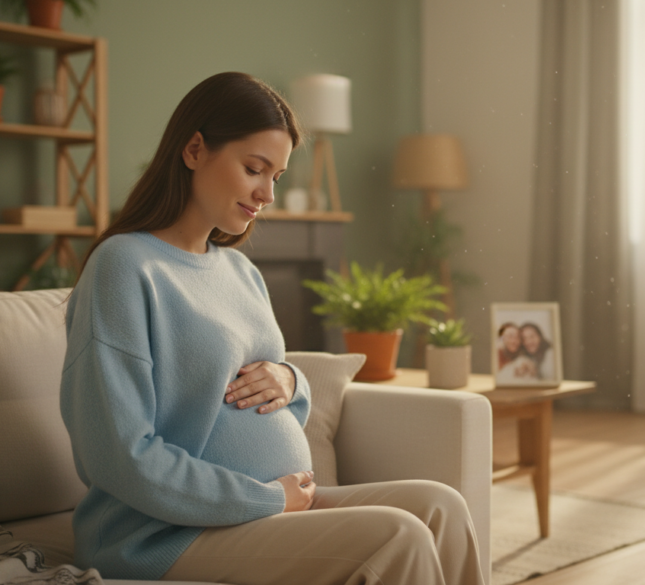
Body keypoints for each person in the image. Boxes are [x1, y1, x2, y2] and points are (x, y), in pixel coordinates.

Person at [59, 72, 483, 585]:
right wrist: (267, 497)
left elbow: (271, 389)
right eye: (254, 169)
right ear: (194, 149)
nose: (267, 193)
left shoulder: (240, 272)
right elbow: (120, 454)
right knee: (400, 535)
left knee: (441, 506)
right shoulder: (124, 267)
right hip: (163, 533)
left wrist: (291, 379)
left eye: (277, 177)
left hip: (270, 505)